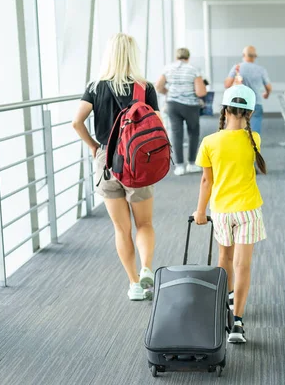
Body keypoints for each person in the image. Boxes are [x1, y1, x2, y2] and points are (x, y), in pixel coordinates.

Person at [72, 33, 157, 301]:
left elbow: (77, 122)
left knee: (122, 229)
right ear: (133, 54)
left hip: (107, 162)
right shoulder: (145, 88)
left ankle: (134, 284)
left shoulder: (95, 87)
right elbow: (156, 126)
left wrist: (95, 147)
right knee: (144, 223)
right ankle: (146, 268)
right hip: (136, 162)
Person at [192, 85, 267, 344]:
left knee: (225, 257)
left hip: (222, 211)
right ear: (250, 112)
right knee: (243, 265)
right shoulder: (253, 139)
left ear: (224, 109)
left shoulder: (209, 143)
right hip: (248, 210)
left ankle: (228, 296)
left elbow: (206, 182)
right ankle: (237, 322)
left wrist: (201, 211)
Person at [156, 48, 207, 176]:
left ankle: (179, 166)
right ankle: (191, 164)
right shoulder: (193, 70)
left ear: (176, 57)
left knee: (176, 134)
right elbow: (200, 92)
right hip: (190, 106)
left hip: (173, 105)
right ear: (188, 57)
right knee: (193, 133)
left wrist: (168, 93)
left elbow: (158, 86)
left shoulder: (168, 69)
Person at [224, 46, 272, 134]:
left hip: (239, 104)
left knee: (237, 132)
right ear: (255, 56)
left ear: (243, 55)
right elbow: (269, 87)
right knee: (254, 133)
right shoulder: (261, 70)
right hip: (256, 103)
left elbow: (227, 84)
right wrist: (266, 94)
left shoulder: (237, 68)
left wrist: (235, 78)